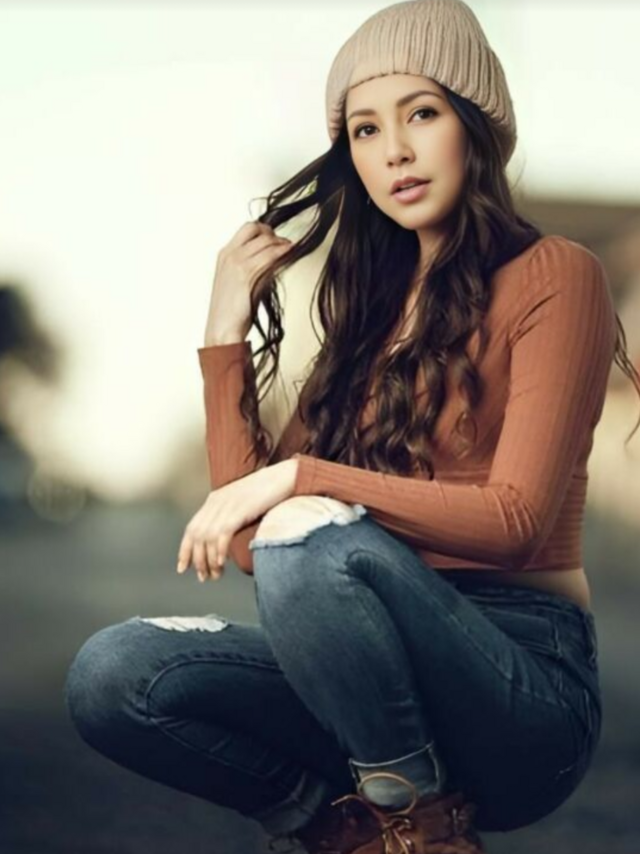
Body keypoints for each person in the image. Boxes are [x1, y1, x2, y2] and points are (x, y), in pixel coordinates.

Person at [64, 1, 640, 852]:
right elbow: (256, 544)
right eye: (366, 130)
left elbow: (516, 521)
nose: (395, 149)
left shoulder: (556, 273)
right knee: (112, 673)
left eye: (422, 113)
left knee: (311, 529)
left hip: (521, 688)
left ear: (475, 126)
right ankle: (354, 830)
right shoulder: (367, 325)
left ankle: (415, 820)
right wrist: (225, 333)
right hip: (369, 672)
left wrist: (305, 477)